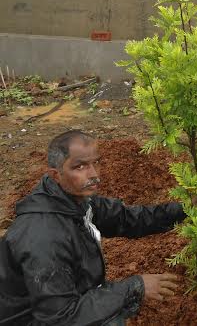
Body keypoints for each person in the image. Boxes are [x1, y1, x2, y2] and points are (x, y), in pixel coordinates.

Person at [0, 130, 186, 325]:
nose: (94, 175)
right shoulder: (45, 238)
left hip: (59, 304)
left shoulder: (74, 201)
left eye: (96, 162)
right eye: (80, 166)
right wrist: (134, 287)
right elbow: (62, 318)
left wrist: (185, 209)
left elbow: (126, 219)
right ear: (56, 175)